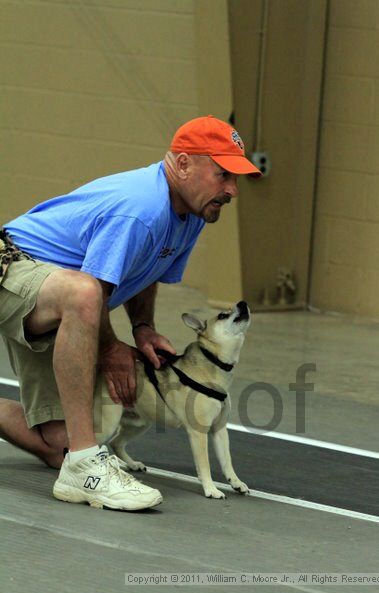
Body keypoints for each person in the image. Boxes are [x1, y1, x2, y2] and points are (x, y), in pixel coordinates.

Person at [0, 115, 261, 511]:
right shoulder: (141, 209)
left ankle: (74, 453)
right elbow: (92, 290)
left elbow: (147, 267)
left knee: (59, 444)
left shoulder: (191, 212)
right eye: (224, 174)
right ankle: (86, 465)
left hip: (54, 293)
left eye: (236, 179)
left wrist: (142, 327)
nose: (232, 190)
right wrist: (111, 349)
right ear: (184, 163)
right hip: (13, 265)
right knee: (85, 293)